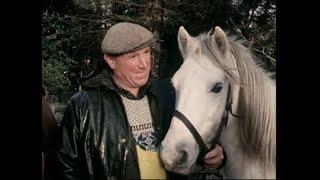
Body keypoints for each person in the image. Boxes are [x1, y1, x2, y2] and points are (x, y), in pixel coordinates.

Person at [57, 22, 226, 179]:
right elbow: (67, 169)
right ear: (111, 61)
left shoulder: (168, 94)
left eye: (146, 53)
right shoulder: (83, 106)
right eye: (133, 57)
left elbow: (190, 140)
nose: (144, 64)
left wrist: (217, 157)